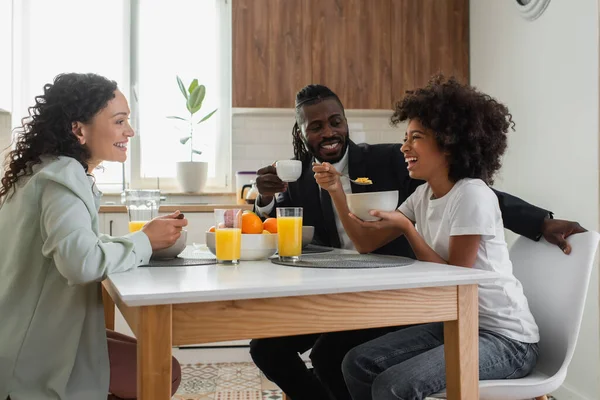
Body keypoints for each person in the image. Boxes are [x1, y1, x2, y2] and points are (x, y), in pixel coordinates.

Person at [250, 83, 585, 400]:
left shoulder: (397, 163)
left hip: (411, 300)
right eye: (316, 126)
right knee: (274, 348)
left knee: (336, 358)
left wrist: (539, 221)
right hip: (341, 294)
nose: (327, 132)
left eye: (335, 122)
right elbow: (287, 230)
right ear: (302, 132)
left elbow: (469, 191)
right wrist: (269, 197)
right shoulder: (299, 178)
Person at [334, 75, 541, 399]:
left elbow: (456, 279)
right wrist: (336, 191)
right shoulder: (423, 194)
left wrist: (408, 230)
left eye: (415, 137)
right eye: (406, 137)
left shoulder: (472, 195)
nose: (404, 147)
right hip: (455, 324)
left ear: (449, 142)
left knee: (393, 386)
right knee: (357, 363)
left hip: (506, 340)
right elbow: (366, 242)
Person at [0, 73, 187, 400]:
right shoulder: (64, 178)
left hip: (17, 330)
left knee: (153, 353)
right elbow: (81, 263)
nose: (129, 131)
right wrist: (144, 242)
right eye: (119, 121)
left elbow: (78, 248)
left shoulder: (42, 170)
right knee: (163, 371)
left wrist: (145, 238)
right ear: (78, 130)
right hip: (31, 351)